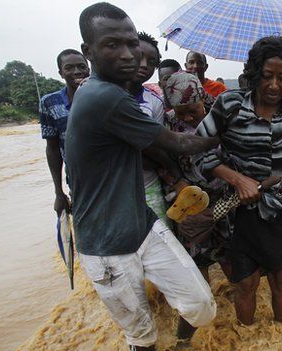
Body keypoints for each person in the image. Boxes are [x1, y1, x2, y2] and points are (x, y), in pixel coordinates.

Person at [67, 3, 220, 350]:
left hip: (141, 224)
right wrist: (225, 128)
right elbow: (178, 143)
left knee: (201, 306)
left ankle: (182, 345)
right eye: (111, 45)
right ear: (88, 52)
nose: (127, 55)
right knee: (142, 336)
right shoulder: (104, 97)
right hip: (106, 245)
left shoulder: (115, 94)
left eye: (131, 43)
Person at [194, 36, 282, 326]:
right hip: (237, 213)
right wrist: (237, 178)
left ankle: (281, 338)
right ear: (255, 72)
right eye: (267, 76)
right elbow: (198, 151)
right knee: (245, 284)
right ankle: (247, 338)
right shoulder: (229, 104)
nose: (274, 85)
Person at [40, 49, 90, 215]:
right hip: (77, 181)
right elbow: (53, 148)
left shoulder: (103, 95)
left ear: (88, 68)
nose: (77, 72)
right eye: (69, 68)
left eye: (81, 66)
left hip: (112, 176)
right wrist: (58, 192)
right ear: (61, 73)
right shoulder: (49, 102)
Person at [128, 32, 171, 226]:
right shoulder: (97, 93)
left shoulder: (154, 101)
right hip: (111, 189)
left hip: (148, 184)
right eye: (139, 57)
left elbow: (160, 144)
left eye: (152, 62)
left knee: (162, 243)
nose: (145, 65)